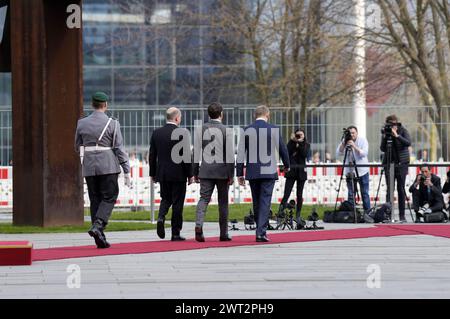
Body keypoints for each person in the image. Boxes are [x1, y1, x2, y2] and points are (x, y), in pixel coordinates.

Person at [75, 92, 131, 248]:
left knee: (95, 200)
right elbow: (119, 148)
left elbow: (77, 146)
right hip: (107, 165)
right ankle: (98, 225)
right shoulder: (112, 123)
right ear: (105, 105)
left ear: (92, 104)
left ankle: (99, 238)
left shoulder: (82, 123)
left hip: (89, 166)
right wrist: (126, 170)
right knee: (110, 196)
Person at [237, 105, 290, 242]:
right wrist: (287, 165)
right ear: (268, 115)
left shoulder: (247, 130)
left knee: (256, 201)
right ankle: (261, 232)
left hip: (253, 171)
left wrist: (239, 173)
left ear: (255, 115)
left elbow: (241, 153)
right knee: (265, 201)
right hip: (268, 171)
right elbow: (283, 149)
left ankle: (259, 228)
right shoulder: (273, 129)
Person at [149, 107, 194, 241]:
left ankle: (161, 217)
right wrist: (190, 174)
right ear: (176, 118)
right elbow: (187, 156)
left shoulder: (157, 133)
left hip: (162, 173)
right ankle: (175, 232)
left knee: (165, 198)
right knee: (177, 203)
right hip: (178, 174)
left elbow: (152, 156)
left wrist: (153, 173)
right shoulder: (182, 133)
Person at [193, 102, 234, 242]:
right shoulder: (227, 130)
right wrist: (231, 174)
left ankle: (199, 225)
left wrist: (195, 172)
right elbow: (229, 155)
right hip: (222, 171)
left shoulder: (200, 130)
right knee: (223, 202)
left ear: (208, 114)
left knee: (203, 199)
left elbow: (195, 153)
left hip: (205, 170)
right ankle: (223, 233)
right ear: (221, 114)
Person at [380, 114, 411, 222]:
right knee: (390, 190)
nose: (393, 126)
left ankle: (402, 216)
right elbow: (382, 148)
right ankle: (389, 215)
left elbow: (408, 143)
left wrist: (397, 135)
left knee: (401, 189)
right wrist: (385, 137)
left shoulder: (403, 131)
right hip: (389, 163)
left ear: (397, 123)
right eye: (390, 124)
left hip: (401, 164)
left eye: (394, 124)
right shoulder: (386, 132)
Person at [279, 128, 310, 228]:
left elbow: (304, 154)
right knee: (286, 193)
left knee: (299, 195)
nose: (299, 136)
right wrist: (293, 141)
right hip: (291, 171)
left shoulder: (306, 144)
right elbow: (286, 152)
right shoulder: (291, 143)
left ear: (304, 136)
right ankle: (280, 213)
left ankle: (298, 215)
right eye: (297, 135)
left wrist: (300, 143)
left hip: (301, 172)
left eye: (301, 135)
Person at [336, 126, 370, 212]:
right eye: (350, 133)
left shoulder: (362, 140)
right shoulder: (345, 141)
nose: (351, 135)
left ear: (357, 133)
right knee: (351, 194)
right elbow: (338, 153)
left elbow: (364, 153)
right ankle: (351, 213)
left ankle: (368, 212)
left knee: (364, 193)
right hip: (350, 171)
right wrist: (344, 143)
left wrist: (354, 146)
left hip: (362, 171)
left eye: (353, 133)